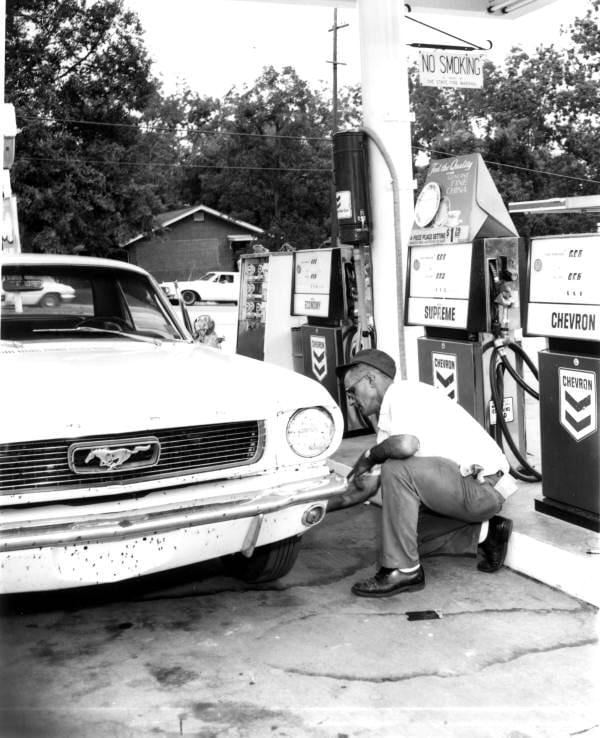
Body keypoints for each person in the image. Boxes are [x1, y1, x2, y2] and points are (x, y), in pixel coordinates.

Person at [331, 348, 517, 598]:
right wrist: (313, 508)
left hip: (485, 488)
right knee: (398, 540)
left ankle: (405, 571)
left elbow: (406, 446)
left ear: (371, 380)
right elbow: (365, 487)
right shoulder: (386, 425)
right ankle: (486, 533)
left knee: (396, 468)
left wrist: (370, 455)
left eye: (352, 391)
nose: (351, 400)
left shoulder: (404, 394)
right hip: (464, 494)